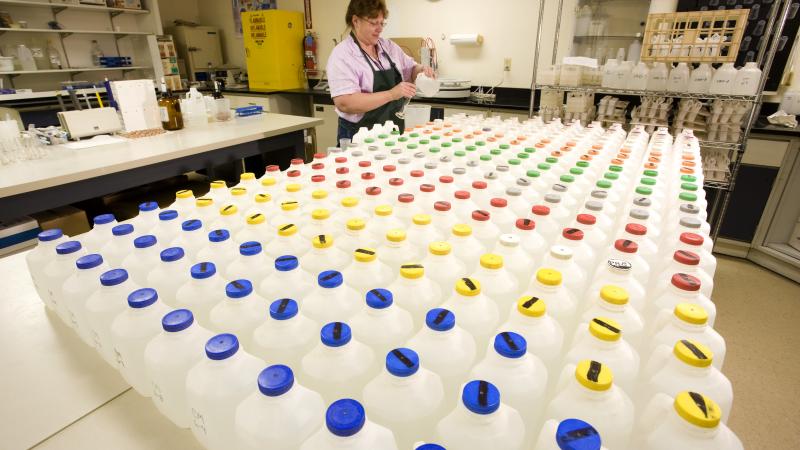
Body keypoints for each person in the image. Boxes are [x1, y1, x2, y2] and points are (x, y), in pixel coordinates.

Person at [327, 0, 435, 143]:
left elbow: (411, 69)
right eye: (373, 23)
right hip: (358, 136)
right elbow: (345, 103)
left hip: (393, 132)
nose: (379, 29)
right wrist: (391, 94)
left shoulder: (388, 47)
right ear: (356, 21)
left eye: (382, 23)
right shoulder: (343, 54)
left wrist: (422, 70)